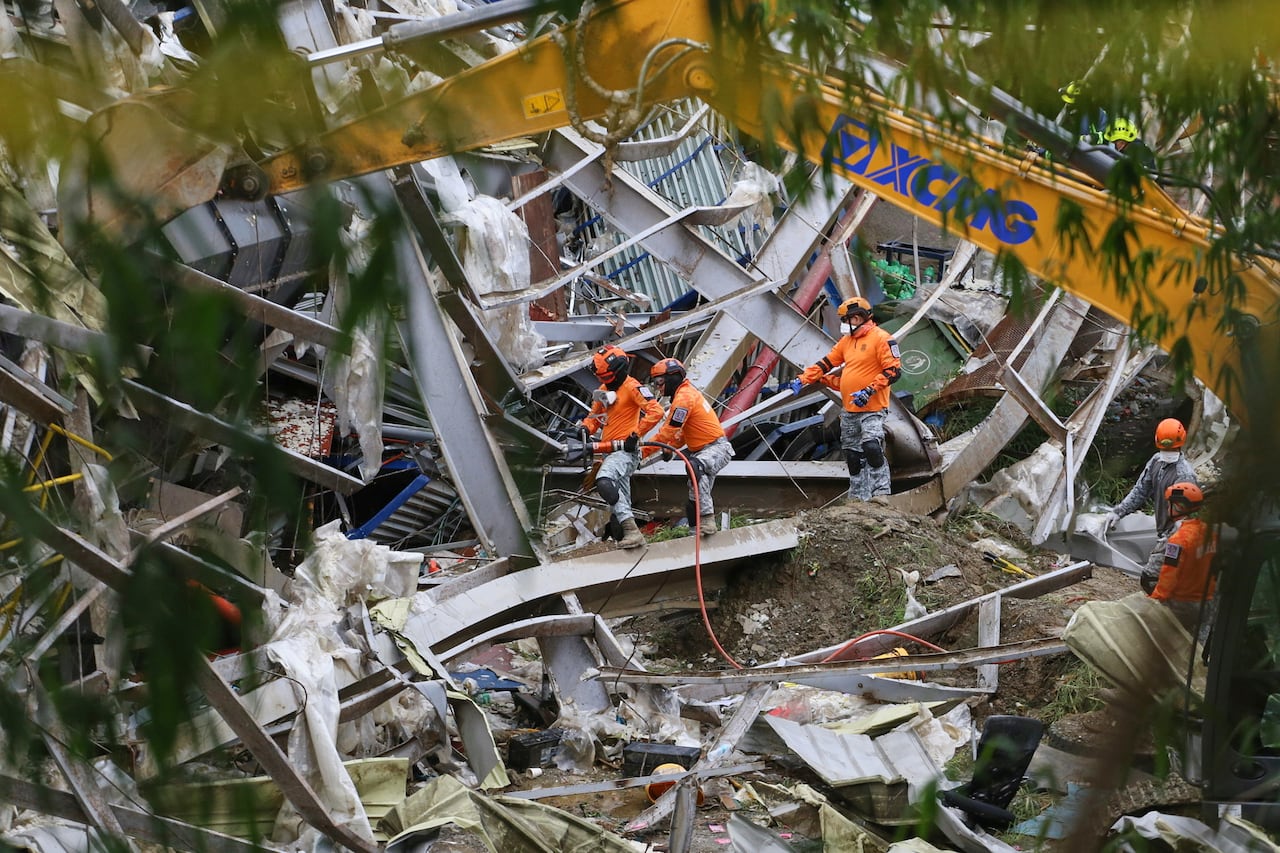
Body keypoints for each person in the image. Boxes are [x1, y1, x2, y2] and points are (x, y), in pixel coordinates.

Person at [790, 296, 902, 501]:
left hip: (873, 407)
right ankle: (858, 496)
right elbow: (826, 363)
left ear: (857, 318)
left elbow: (893, 371)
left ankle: (881, 492)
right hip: (850, 409)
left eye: (845, 320)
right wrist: (804, 379)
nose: (843, 324)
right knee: (852, 454)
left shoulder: (881, 338)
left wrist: (869, 391)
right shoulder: (847, 342)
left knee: (871, 445)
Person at [580, 345, 663, 548]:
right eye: (602, 379)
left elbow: (656, 411)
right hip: (608, 452)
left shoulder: (632, 387)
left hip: (626, 451)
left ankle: (632, 531)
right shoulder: (603, 391)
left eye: (607, 378)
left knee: (605, 481)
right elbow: (594, 418)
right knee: (618, 513)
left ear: (618, 371)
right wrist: (585, 428)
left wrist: (635, 435)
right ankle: (630, 542)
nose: (604, 382)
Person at [643, 358, 736, 536]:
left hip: (716, 449)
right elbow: (682, 435)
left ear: (672, 378)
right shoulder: (684, 395)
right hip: (704, 450)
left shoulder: (684, 399)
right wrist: (669, 448)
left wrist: (643, 452)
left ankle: (707, 521)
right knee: (694, 497)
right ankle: (696, 533)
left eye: (660, 382)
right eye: (655, 383)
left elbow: (668, 432)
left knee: (694, 467)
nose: (658, 387)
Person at [1105, 417, 1198, 538]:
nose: (1168, 451)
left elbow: (1182, 515)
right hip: (1163, 532)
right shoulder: (1156, 462)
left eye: (1172, 448)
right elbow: (1141, 491)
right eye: (1165, 448)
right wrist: (1119, 512)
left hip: (1176, 535)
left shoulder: (1184, 475)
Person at [1146, 481, 1217, 635]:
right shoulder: (1210, 533)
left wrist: (1154, 600)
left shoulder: (1178, 540)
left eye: (1169, 504)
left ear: (1178, 506)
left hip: (1182, 603)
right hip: (1206, 601)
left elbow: (1169, 574)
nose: (1167, 508)